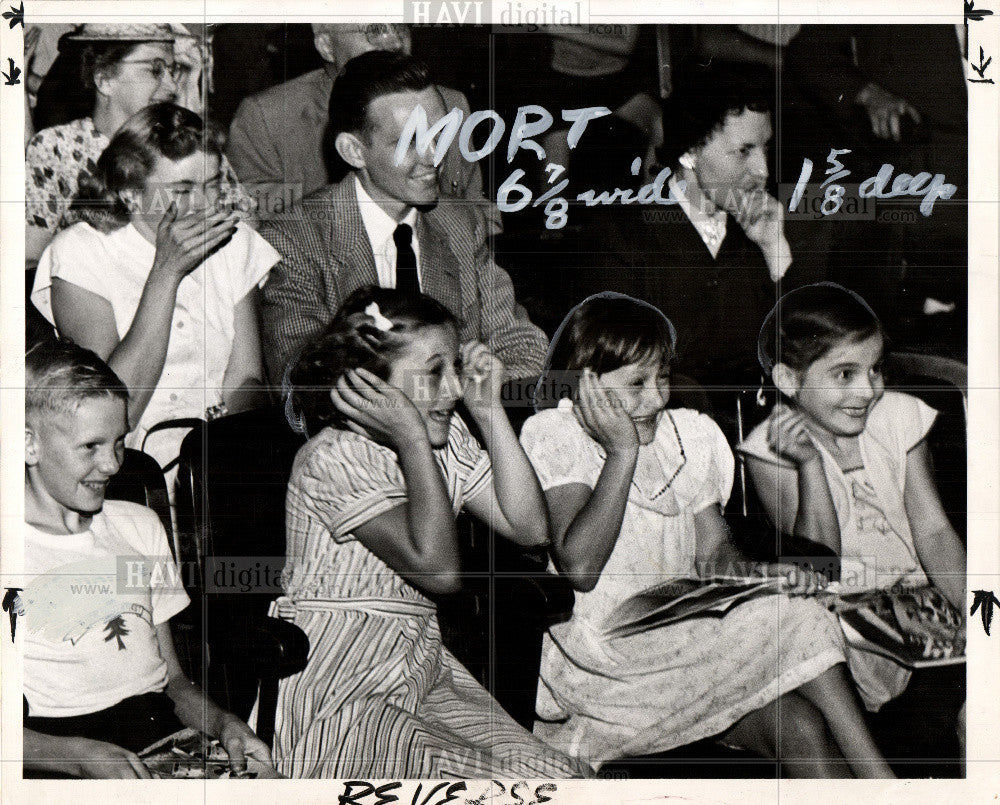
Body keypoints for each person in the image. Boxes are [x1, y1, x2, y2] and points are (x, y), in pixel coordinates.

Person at [518, 292, 895, 777]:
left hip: (685, 646)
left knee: (798, 724)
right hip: (606, 671)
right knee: (795, 620)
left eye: (663, 378)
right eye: (637, 384)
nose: (657, 397)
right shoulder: (556, 436)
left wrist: (764, 577)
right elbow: (581, 568)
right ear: (586, 387)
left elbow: (716, 557)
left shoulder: (687, 437)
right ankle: (883, 781)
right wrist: (622, 452)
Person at [270, 286, 587, 779]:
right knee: (499, 788)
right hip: (342, 691)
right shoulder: (333, 458)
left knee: (564, 780)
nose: (454, 389)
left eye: (454, 369)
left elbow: (530, 529)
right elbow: (439, 571)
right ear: (369, 384)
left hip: (420, 668)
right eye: (434, 373)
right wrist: (413, 439)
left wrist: (488, 412)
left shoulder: (448, 437)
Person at [22, 339, 277, 779]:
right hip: (59, 751)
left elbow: (171, 683)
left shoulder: (138, 527)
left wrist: (224, 723)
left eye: (120, 442)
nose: (112, 464)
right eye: (91, 446)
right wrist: (81, 757)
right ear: (29, 445)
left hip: (161, 736)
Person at [738, 283, 967, 711]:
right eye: (845, 374)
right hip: (843, 611)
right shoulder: (767, 450)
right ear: (788, 379)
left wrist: (973, 606)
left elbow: (934, 531)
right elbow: (818, 565)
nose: (868, 390)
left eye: (875, 369)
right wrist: (809, 465)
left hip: (921, 594)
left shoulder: (898, 416)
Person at [258, 50, 547, 386]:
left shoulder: (460, 224)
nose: (434, 156)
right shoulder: (296, 239)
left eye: (439, 133)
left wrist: (469, 398)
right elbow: (301, 381)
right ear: (354, 151)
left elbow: (521, 346)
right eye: (411, 142)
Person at [31, 102, 279, 476]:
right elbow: (111, 407)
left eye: (212, 186)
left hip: (218, 458)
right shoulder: (82, 250)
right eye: (181, 190)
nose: (204, 204)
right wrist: (166, 272)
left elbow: (247, 378)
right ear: (131, 193)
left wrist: (226, 451)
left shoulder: (236, 241)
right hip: (126, 466)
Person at [580, 62, 823, 389]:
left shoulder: (766, 226)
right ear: (690, 152)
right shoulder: (624, 235)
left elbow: (813, 359)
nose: (762, 170)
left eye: (765, 148)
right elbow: (617, 374)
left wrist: (775, 251)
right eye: (743, 151)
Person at [24, 23, 252, 265]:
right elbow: (31, 257)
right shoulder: (59, 148)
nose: (171, 86)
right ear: (105, 79)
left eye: (172, 71)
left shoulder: (190, 143)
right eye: (154, 70)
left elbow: (248, 235)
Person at [227, 23, 493, 224]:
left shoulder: (449, 104)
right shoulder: (268, 117)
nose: (395, 41)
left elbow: (479, 215)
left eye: (400, 26)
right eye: (374, 30)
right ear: (326, 46)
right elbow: (255, 232)